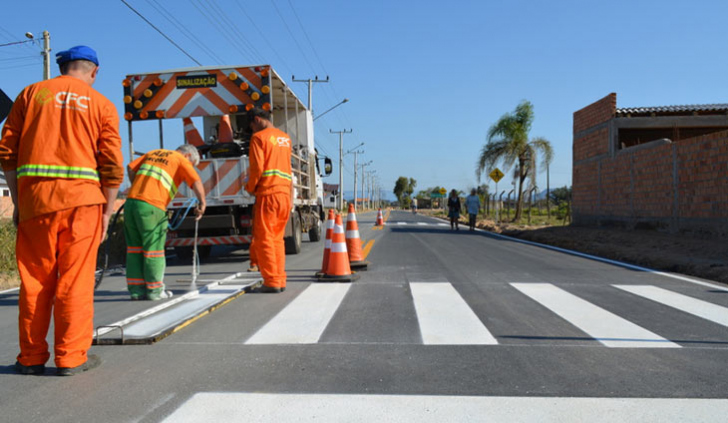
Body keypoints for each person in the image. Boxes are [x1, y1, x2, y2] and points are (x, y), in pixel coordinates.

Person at [0, 46, 123, 376]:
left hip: (36, 204)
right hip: (83, 205)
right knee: (75, 281)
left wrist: (18, 200)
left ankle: (31, 357)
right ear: (93, 72)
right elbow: (112, 166)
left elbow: (7, 152)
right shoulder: (102, 105)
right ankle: (70, 357)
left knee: (36, 281)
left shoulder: (32, 94)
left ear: (63, 67)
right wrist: (107, 213)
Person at [125, 145, 206, 300]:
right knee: (153, 248)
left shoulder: (153, 152)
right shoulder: (181, 159)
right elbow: (196, 181)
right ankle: (155, 291)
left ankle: (136, 291)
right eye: (192, 163)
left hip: (131, 203)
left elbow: (130, 168)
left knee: (134, 248)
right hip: (152, 206)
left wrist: (138, 188)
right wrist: (202, 203)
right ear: (188, 155)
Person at [244, 107, 292, 293]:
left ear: (256, 120)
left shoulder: (258, 138)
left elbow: (257, 169)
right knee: (277, 240)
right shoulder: (285, 138)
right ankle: (279, 279)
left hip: (268, 194)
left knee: (264, 239)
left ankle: (271, 282)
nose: (252, 131)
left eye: (251, 126)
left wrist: (249, 187)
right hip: (284, 195)